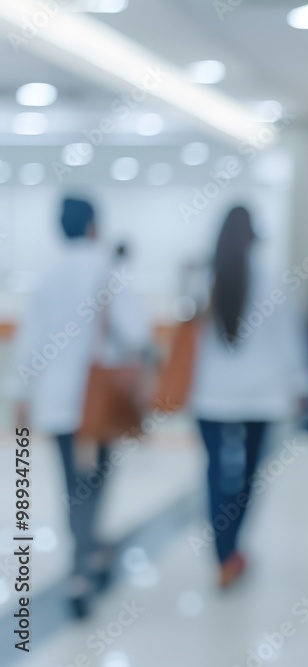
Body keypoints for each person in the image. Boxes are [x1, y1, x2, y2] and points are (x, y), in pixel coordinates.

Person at [6, 197, 147, 618]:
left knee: (73, 484)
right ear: (92, 227)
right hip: (98, 400)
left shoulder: (47, 279)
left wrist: (20, 396)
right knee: (98, 480)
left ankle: (81, 561)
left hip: (56, 402)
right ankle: (86, 562)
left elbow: (29, 343)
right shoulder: (109, 273)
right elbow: (135, 334)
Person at [188, 206, 308, 588]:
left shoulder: (202, 281)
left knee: (214, 472)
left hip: (211, 396)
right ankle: (233, 550)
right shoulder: (273, 281)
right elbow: (290, 342)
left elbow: (188, 342)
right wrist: (301, 387)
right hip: (261, 399)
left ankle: (222, 554)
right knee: (247, 475)